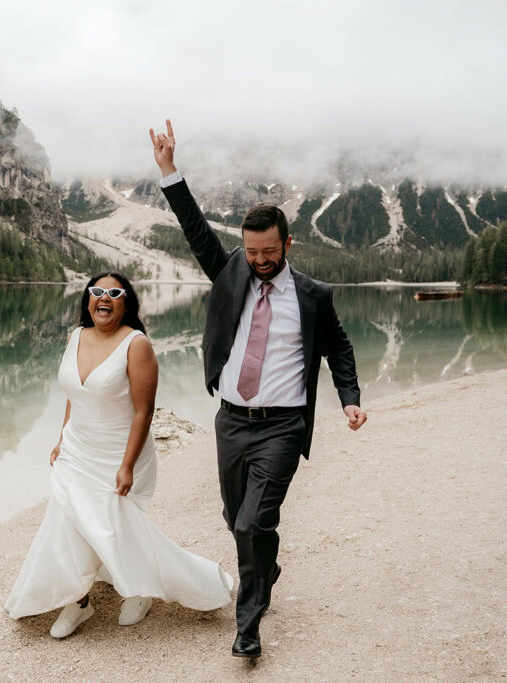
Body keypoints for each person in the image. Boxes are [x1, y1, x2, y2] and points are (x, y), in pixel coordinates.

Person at [148, 119, 367, 658]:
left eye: (269, 251)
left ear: (287, 243)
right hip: (231, 421)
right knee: (235, 517)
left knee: (253, 518)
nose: (260, 260)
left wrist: (351, 397)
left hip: (284, 426)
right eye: (252, 252)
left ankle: (248, 627)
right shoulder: (231, 274)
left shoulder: (313, 296)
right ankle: (264, 567)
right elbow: (197, 230)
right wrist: (169, 171)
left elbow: (337, 347)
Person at [5, 272, 234, 638]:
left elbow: (144, 411)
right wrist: (62, 438)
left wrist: (127, 466)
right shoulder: (75, 336)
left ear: (126, 302)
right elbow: (74, 395)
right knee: (67, 520)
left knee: (114, 526)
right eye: (97, 292)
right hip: (77, 450)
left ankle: (143, 590)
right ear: (88, 299)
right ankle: (77, 601)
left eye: (114, 292)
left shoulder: (136, 344)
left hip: (119, 451)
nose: (104, 298)